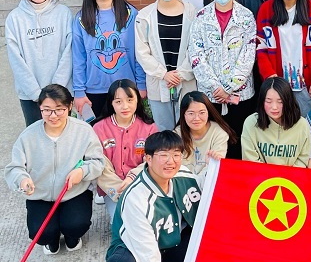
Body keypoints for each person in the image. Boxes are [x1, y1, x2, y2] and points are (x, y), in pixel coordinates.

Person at [5, 84, 104, 255]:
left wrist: (82, 172)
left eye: (59, 109)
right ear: (40, 108)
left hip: (74, 192)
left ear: (70, 106)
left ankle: (73, 237)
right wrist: (22, 180)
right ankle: (51, 240)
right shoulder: (28, 136)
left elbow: (98, 161)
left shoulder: (83, 131)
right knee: (42, 233)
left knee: (76, 225)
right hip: (41, 196)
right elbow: (14, 168)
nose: (53, 115)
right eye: (47, 110)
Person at [188, 0, 256, 159]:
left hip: (240, 94)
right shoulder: (201, 17)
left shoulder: (246, 16)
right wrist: (216, 87)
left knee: (239, 140)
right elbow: (196, 54)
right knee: (213, 143)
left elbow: (248, 53)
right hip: (211, 95)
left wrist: (229, 87)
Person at [106, 131, 201, 262]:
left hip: (172, 241)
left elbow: (209, 190)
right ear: (148, 159)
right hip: (136, 247)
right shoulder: (136, 198)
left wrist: (215, 164)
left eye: (176, 155)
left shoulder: (183, 174)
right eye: (163, 155)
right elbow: (148, 253)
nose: (171, 161)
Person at [72, 0, 146, 118]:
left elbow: (139, 53)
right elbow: (78, 58)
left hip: (126, 89)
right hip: (94, 91)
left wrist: (141, 84)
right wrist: (79, 91)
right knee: (96, 132)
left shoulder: (131, 14)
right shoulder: (81, 18)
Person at [6, 0, 73, 126]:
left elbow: (69, 51)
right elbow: (16, 60)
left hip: (61, 92)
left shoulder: (63, 13)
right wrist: (36, 93)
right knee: (35, 135)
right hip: (30, 95)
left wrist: (57, 88)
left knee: (64, 134)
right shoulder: (14, 18)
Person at [135, 0, 197, 131]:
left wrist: (180, 74)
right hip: (158, 81)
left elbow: (196, 48)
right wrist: (163, 74)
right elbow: (141, 52)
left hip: (186, 80)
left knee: (188, 129)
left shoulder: (192, 12)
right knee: (165, 131)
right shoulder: (144, 16)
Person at [92, 79, 158, 222]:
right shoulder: (99, 128)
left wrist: (132, 179)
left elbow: (152, 160)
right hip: (114, 190)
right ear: (111, 103)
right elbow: (99, 164)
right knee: (122, 221)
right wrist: (119, 189)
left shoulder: (149, 127)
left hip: (142, 185)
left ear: (137, 100)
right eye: (118, 101)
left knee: (148, 219)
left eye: (130, 100)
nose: (125, 106)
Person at [241, 77, 311, 167]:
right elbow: (250, 161)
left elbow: (303, 159)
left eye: (280, 101)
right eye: (268, 101)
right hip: (260, 175)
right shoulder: (251, 123)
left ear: (288, 101)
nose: (274, 107)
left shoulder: (302, 125)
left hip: (292, 176)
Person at [175, 91, 237, 187]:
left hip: (208, 183)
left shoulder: (219, 133)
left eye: (202, 113)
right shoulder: (177, 134)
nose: (196, 118)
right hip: (182, 184)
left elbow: (214, 168)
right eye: (191, 113)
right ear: (184, 114)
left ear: (208, 112)